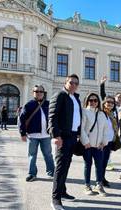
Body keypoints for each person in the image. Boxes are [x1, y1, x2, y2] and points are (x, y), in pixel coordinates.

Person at [48, 74, 82, 210]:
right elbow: (52, 116)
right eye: (71, 82)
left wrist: (79, 133)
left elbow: (77, 117)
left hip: (73, 136)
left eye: (76, 83)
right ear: (66, 82)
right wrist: (56, 135)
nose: (73, 85)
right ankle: (55, 199)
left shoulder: (75, 98)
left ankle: (62, 191)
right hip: (63, 136)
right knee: (60, 168)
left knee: (66, 166)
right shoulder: (60, 95)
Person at [19, 85, 55, 182]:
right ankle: (32, 173)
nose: (39, 93)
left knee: (48, 154)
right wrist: (22, 133)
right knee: (32, 155)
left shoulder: (48, 104)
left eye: (41, 91)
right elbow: (22, 120)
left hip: (46, 135)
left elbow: (54, 118)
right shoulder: (28, 105)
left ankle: (52, 172)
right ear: (33, 93)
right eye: (36, 91)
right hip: (32, 135)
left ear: (44, 93)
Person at [80, 93, 109, 196]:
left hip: (99, 145)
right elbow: (82, 128)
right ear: (87, 101)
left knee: (99, 165)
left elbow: (106, 129)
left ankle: (99, 185)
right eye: (90, 100)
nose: (93, 102)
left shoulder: (102, 114)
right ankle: (87, 185)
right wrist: (85, 142)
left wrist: (104, 142)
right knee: (88, 165)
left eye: (95, 100)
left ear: (98, 102)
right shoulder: (84, 112)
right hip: (87, 144)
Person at [101, 96, 119, 187]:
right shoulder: (102, 113)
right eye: (108, 102)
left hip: (110, 141)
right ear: (104, 103)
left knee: (105, 161)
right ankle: (100, 180)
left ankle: (102, 178)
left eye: (112, 103)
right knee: (101, 161)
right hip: (102, 142)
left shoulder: (111, 113)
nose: (110, 104)